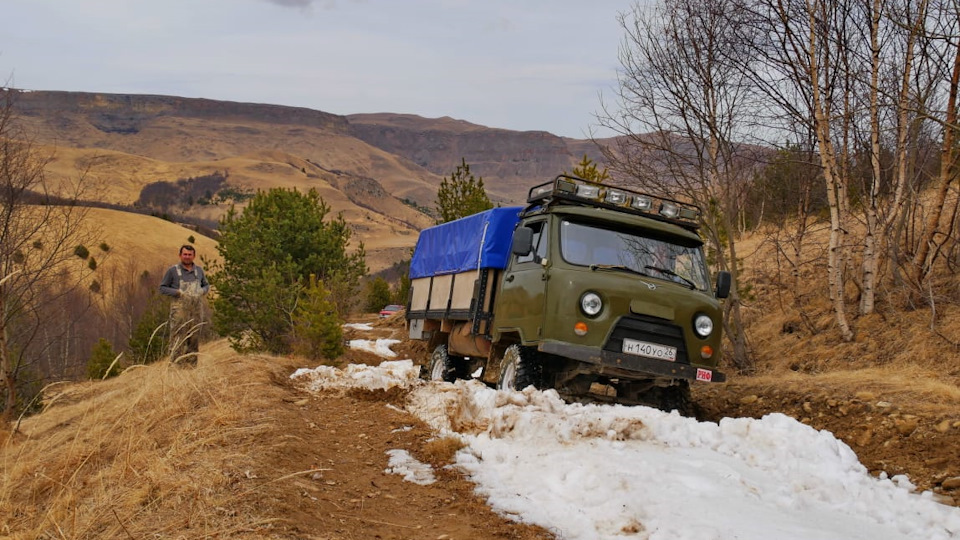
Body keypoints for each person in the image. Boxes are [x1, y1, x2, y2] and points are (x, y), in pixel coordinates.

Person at [159, 244, 210, 366]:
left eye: (189, 255)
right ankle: (175, 368)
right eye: (185, 254)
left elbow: (206, 285)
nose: (187, 257)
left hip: (196, 311)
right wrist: (177, 292)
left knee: (194, 339)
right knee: (177, 339)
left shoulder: (199, 271)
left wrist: (202, 291)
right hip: (179, 312)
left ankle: (191, 368)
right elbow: (162, 288)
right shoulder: (172, 271)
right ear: (180, 255)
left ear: (194, 256)